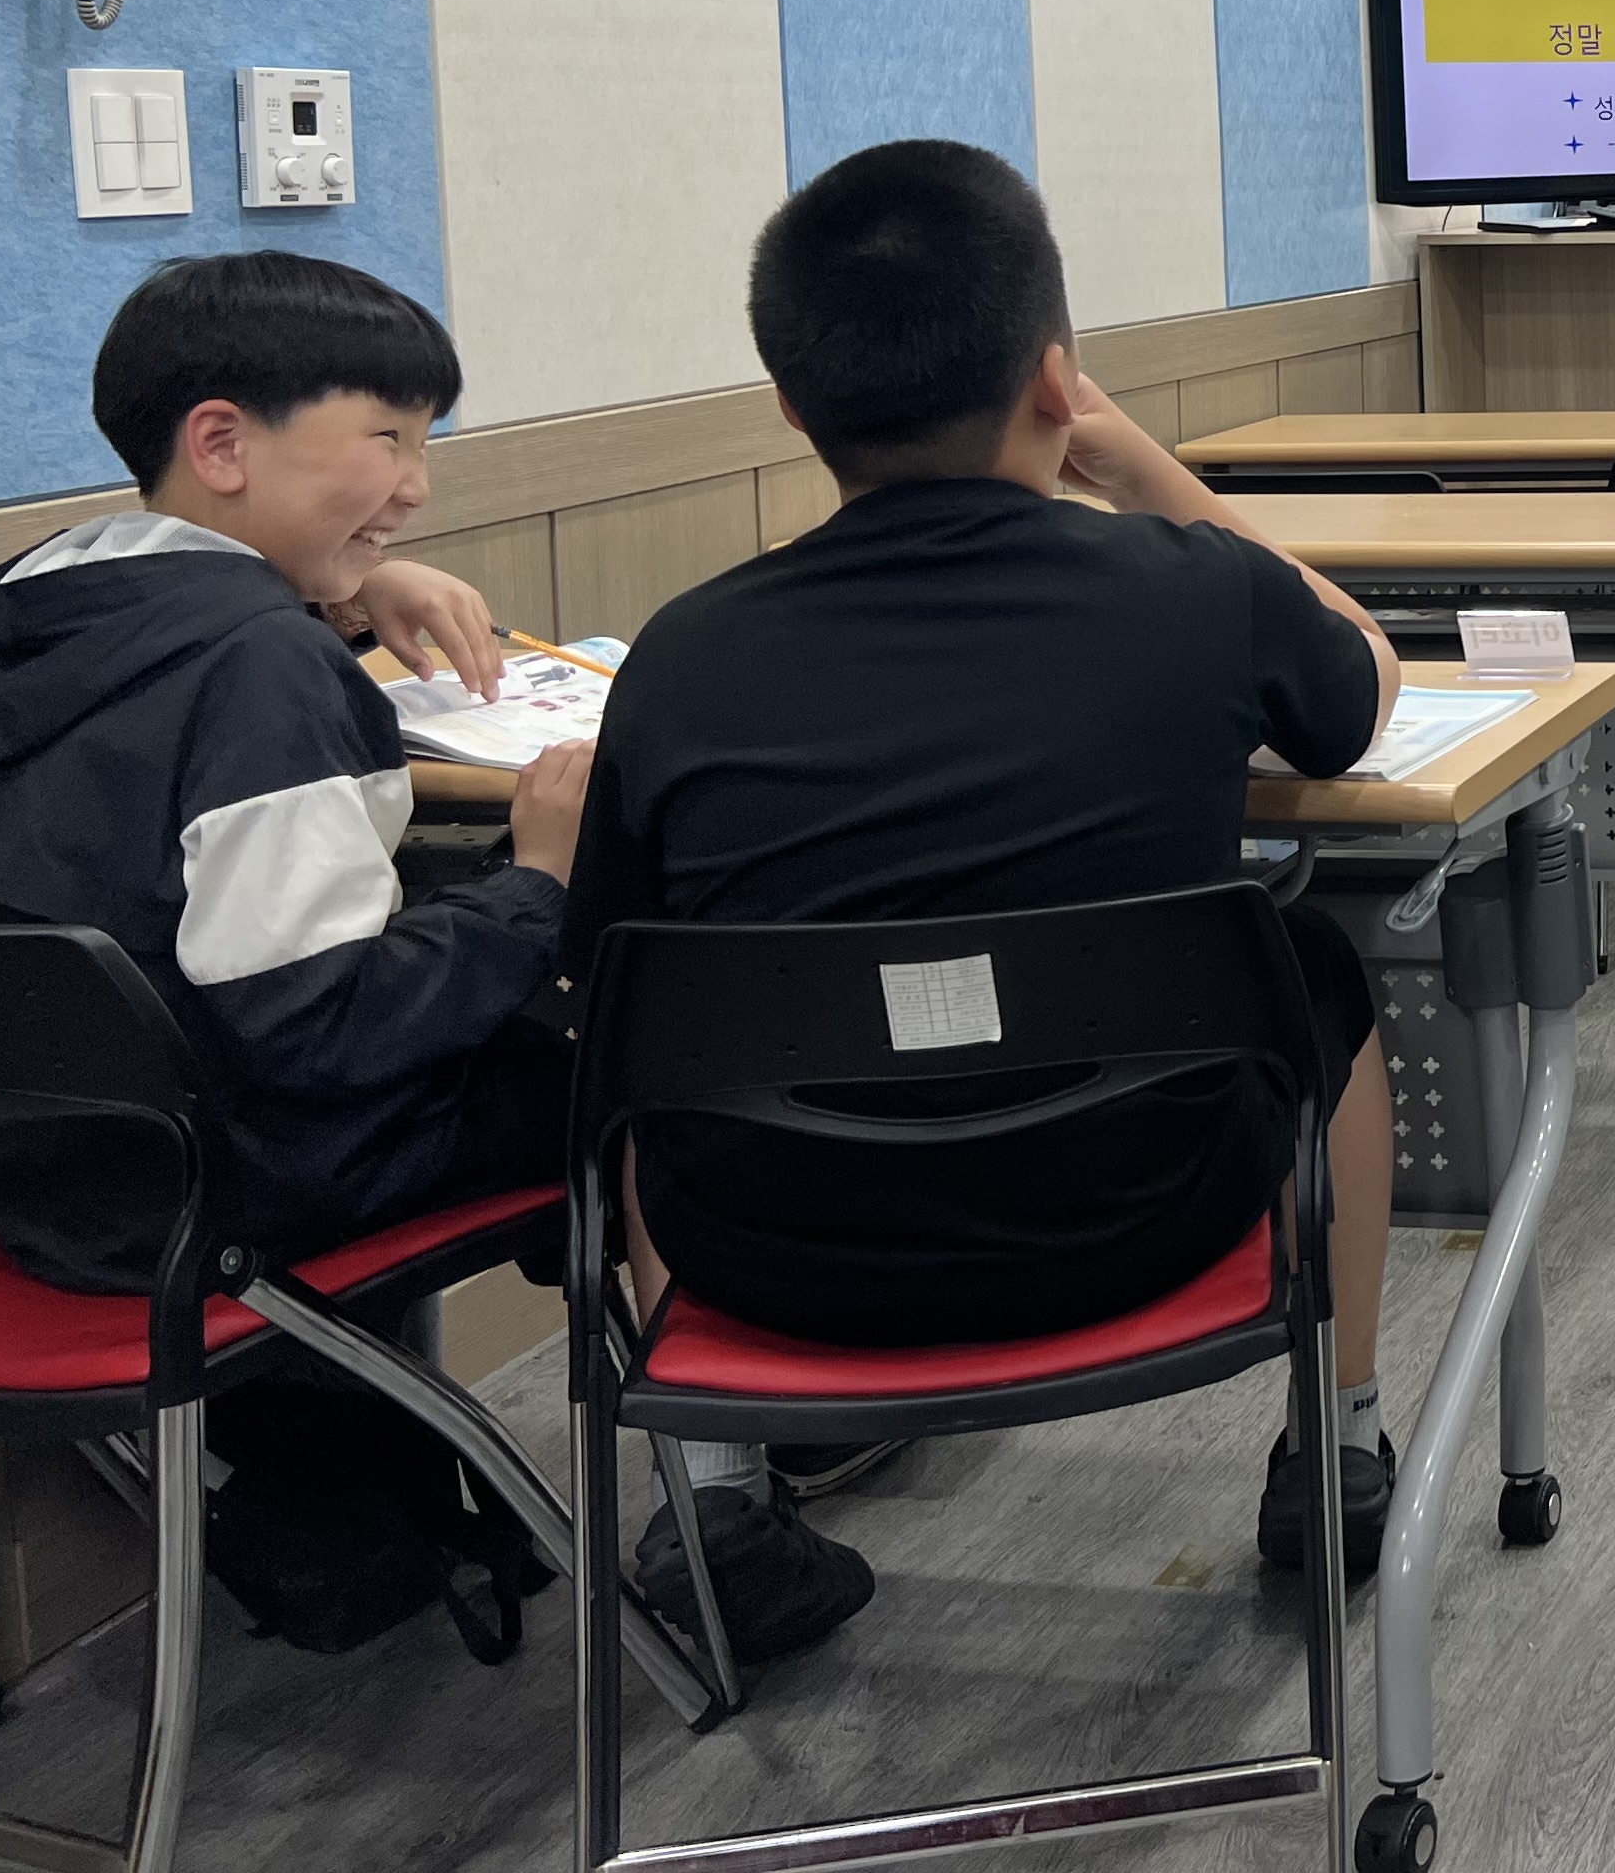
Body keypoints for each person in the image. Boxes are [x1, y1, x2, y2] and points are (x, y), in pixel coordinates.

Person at [565, 141, 1407, 1666]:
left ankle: (717, 1498)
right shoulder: (1194, 593)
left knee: (650, 1026)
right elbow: (1357, 685)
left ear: (791, 404)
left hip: (777, 1252)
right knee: (1309, 961)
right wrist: (1148, 474)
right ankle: (1331, 1438)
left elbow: (596, 977)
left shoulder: (681, 657)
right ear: (1056, 379)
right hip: (1144, 1214)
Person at [0, 254, 580, 1296]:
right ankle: (684, 1399)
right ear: (221, 442)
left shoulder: (41, 593)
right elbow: (323, 1030)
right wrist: (536, 881)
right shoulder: (264, 667)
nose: (418, 485)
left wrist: (338, 592)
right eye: (388, 438)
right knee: (623, 1071)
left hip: (50, 1168)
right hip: (225, 1189)